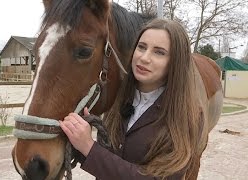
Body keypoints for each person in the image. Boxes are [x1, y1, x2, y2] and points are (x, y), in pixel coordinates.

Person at [59, 19, 203, 180]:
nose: (144, 57)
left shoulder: (189, 115)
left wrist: (89, 147)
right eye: (141, 47)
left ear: (176, 62)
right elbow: (110, 158)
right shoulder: (119, 98)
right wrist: (77, 138)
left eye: (159, 52)